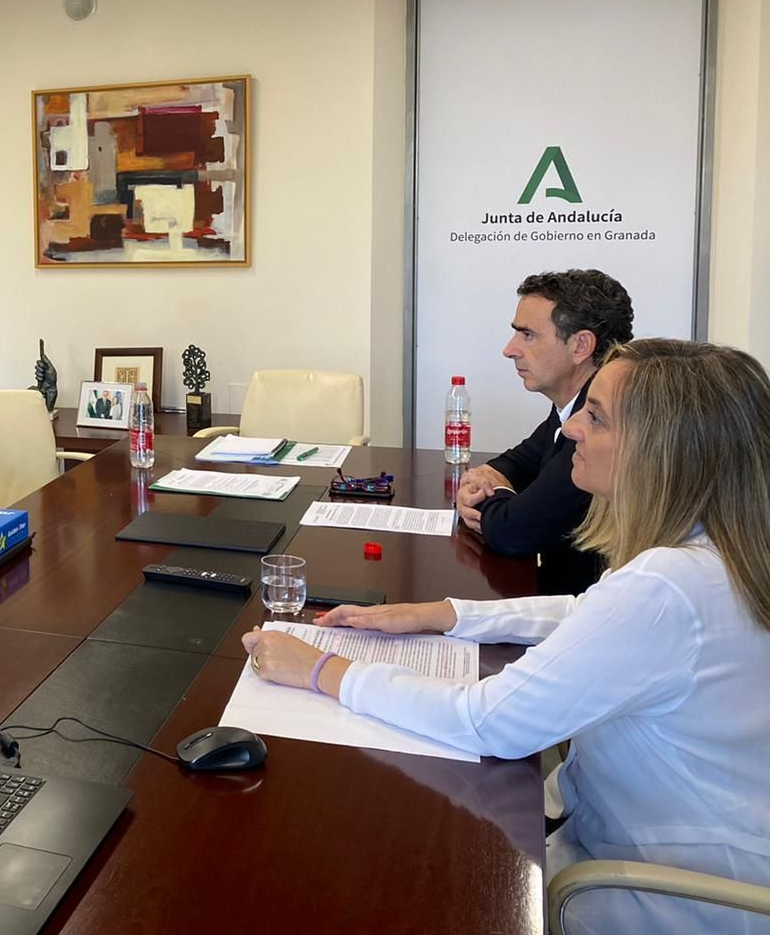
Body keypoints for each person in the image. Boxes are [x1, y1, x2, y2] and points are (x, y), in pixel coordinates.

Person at [243, 339, 770, 935]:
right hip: (683, 842)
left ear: (665, 452)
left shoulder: (667, 585)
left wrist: (320, 670)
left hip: (661, 893)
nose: (571, 430)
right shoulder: (717, 553)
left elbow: (487, 723)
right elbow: (587, 614)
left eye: (595, 417)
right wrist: (444, 613)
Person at [456, 269, 634, 594]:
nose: (509, 349)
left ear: (581, 345)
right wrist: (484, 476)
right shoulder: (572, 402)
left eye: (528, 335)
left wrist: (482, 496)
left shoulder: (602, 424)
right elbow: (520, 460)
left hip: (583, 617)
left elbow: (514, 532)